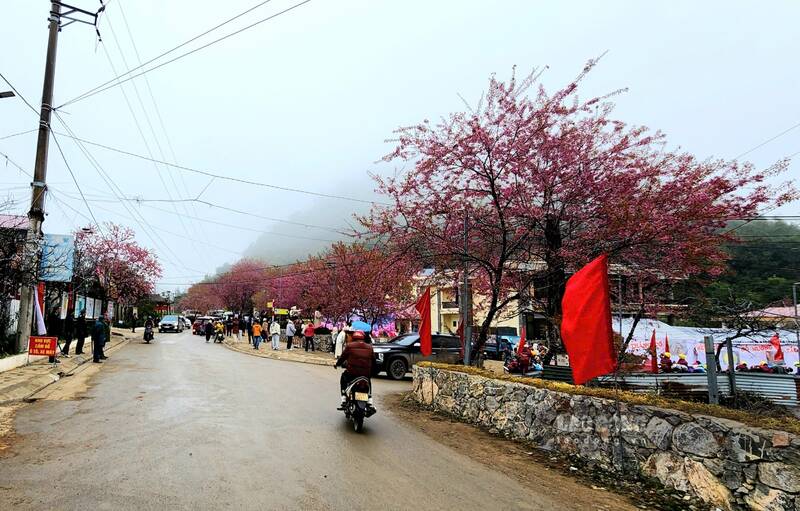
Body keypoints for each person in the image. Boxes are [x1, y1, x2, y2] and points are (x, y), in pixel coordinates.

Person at [334, 330, 375, 409]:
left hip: (352, 374)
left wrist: (337, 364)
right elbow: (374, 361)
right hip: (365, 374)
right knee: (368, 380)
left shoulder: (349, 346)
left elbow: (342, 358)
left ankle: (344, 397)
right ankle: (369, 398)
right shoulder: (370, 347)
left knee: (343, 377)